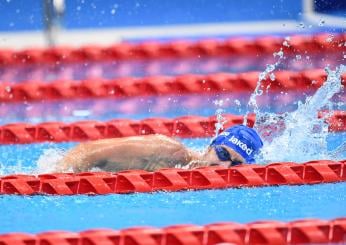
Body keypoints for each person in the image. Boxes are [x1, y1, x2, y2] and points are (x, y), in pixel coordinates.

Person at [57, 125, 263, 173]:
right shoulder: (165, 150)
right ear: (211, 147)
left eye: (235, 164)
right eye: (223, 153)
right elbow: (86, 152)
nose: (223, 165)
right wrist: (59, 178)